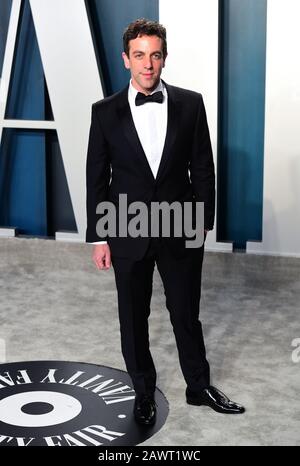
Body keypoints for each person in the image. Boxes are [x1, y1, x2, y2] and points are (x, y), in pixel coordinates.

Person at [86, 18, 245, 426]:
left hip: (180, 225)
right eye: (139, 55)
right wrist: (99, 237)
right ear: (126, 60)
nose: (148, 64)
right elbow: (97, 176)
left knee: (185, 313)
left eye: (155, 55)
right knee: (133, 316)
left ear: (164, 58)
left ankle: (199, 386)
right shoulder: (104, 112)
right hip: (125, 227)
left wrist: (203, 221)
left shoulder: (191, 104)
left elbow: (202, 167)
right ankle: (143, 392)